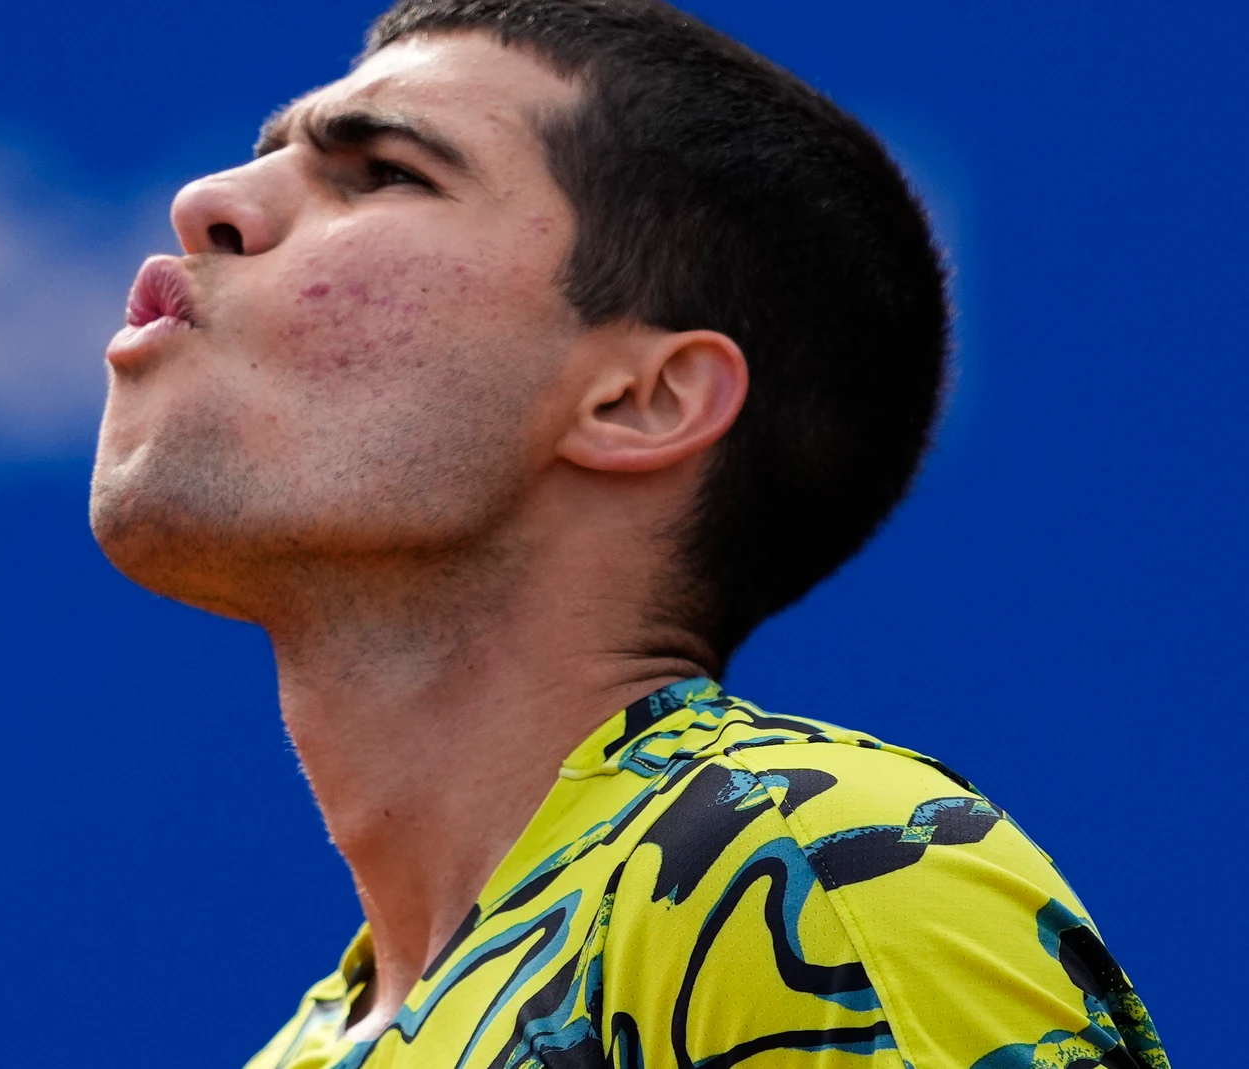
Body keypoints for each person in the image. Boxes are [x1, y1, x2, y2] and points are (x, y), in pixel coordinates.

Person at [88, 1, 1167, 1066]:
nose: (206, 201)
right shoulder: (302, 1051)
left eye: (383, 173)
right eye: (267, 155)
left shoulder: (821, 872)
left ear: (638, 400)